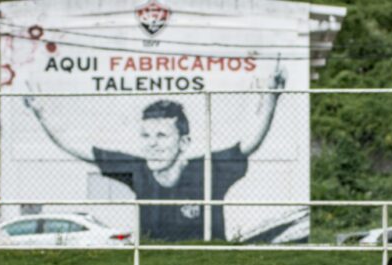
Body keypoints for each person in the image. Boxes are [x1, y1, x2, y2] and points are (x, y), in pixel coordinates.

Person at [23, 65, 285, 241]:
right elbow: (81, 149)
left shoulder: (206, 169)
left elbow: (250, 143)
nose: (152, 144)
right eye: (146, 136)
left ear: (184, 142)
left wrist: (271, 97)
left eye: (161, 136)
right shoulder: (138, 169)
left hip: (204, 262)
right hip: (153, 262)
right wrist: (41, 112)